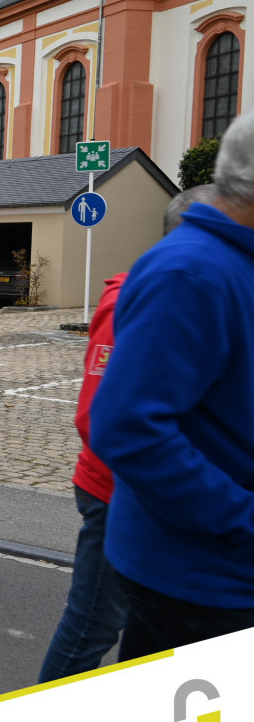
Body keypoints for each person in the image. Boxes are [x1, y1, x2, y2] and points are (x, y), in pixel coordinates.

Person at [90, 113, 254, 660]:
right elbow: (126, 428)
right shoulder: (191, 273)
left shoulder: (226, 265)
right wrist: (242, 517)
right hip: (204, 579)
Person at [38, 185, 217, 682]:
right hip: (117, 494)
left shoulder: (198, 295)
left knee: (153, 624)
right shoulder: (136, 302)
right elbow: (102, 420)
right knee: (92, 626)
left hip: (158, 501)